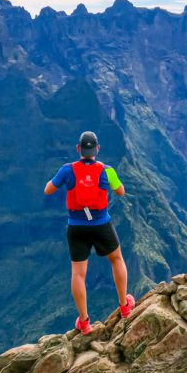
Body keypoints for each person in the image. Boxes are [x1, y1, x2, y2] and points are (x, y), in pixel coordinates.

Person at [44, 130, 135, 335]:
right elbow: (121, 192)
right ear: (97, 149)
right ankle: (124, 306)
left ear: (79, 149)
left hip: (76, 226)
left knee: (78, 272)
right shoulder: (107, 170)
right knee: (117, 259)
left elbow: (48, 190)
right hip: (101, 223)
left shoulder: (67, 170)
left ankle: (84, 322)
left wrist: (65, 181)